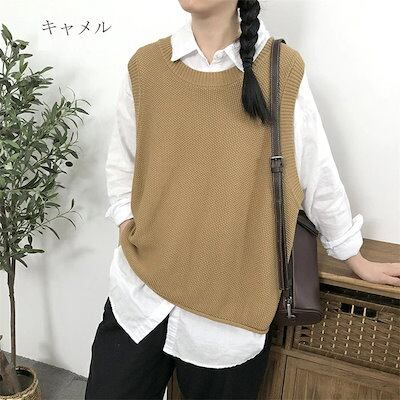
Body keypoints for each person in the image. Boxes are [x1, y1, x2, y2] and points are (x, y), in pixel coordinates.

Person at [85, 1, 400, 399]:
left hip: (229, 317)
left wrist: (353, 255)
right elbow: (123, 164)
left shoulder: (281, 70)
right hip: (140, 295)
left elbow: (317, 174)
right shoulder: (146, 66)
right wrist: (127, 223)